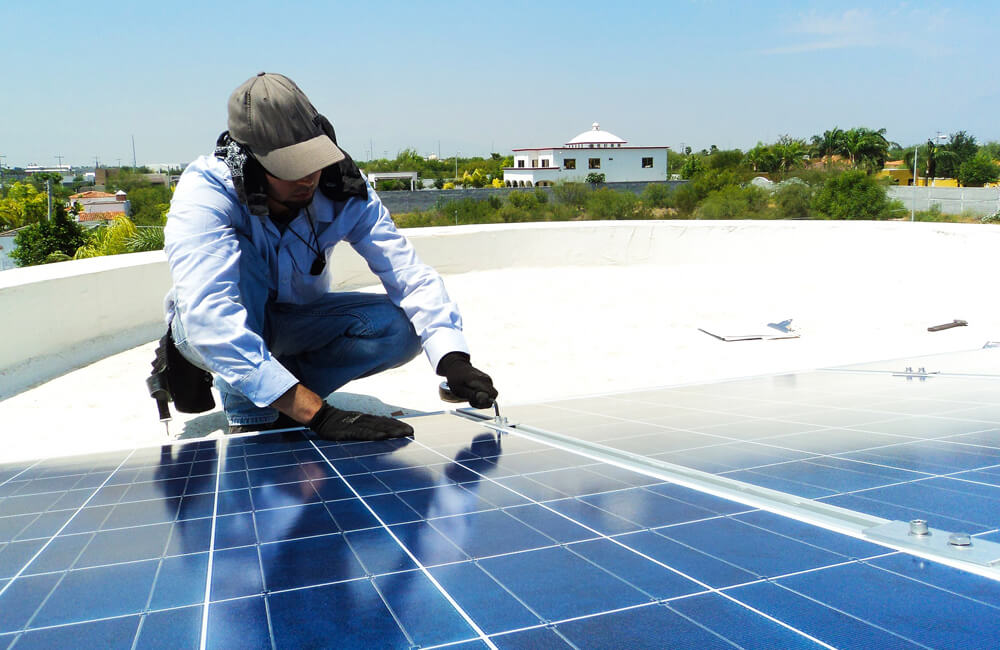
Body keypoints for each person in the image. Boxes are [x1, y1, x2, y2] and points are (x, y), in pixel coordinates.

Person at [162, 72, 497, 442]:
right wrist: (318, 416)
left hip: (296, 318)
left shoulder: (343, 187)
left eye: (313, 159)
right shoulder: (207, 190)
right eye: (291, 167)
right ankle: (253, 407)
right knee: (241, 263)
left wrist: (453, 359)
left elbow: (407, 272)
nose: (308, 176)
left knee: (401, 330)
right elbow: (211, 317)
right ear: (252, 163)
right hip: (206, 329)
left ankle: (277, 392)